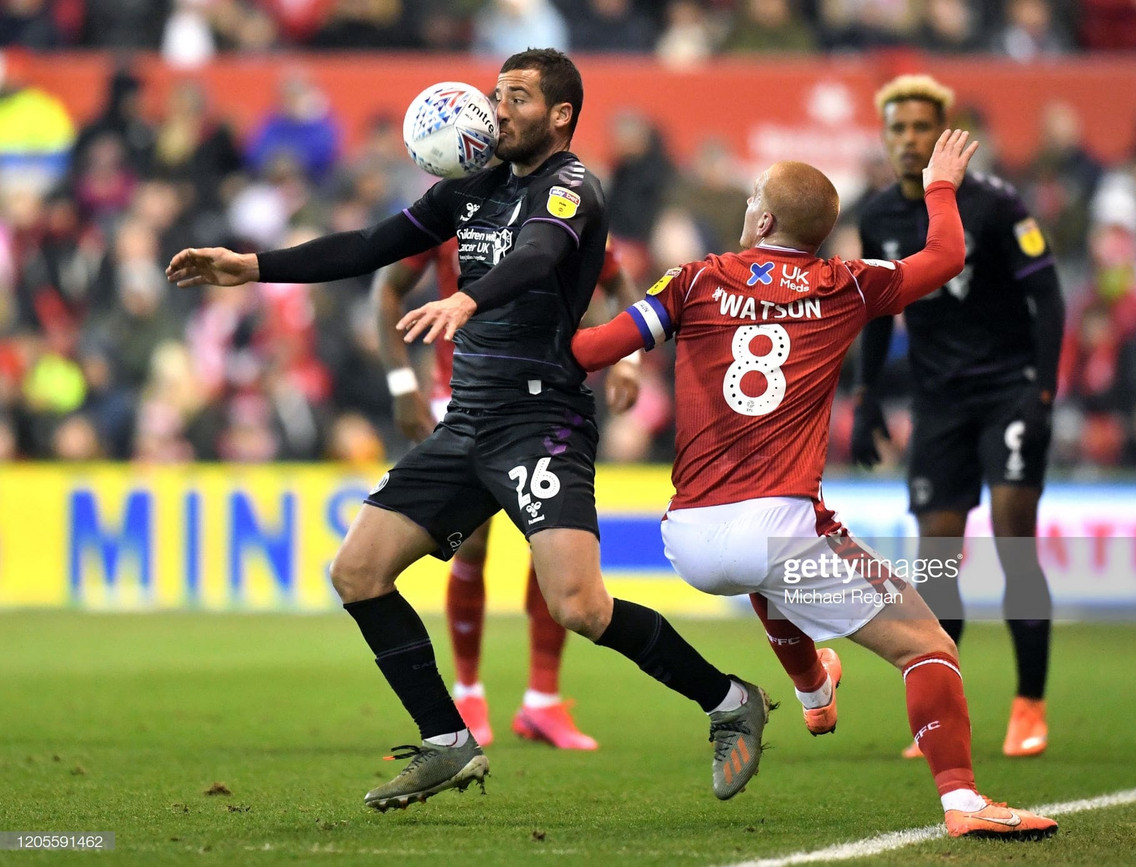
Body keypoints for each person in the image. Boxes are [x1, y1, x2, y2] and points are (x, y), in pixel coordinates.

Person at [167, 48, 771, 810]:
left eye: (515, 97)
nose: (497, 109)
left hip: (541, 419)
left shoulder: (572, 187)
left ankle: (728, 699)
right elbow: (370, 247)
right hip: (469, 420)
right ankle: (449, 742)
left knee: (580, 606)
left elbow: (542, 254)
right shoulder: (470, 188)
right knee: (357, 571)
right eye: (495, 94)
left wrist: (470, 300)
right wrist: (250, 267)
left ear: (559, 115)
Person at [572, 135, 1057, 840]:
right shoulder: (847, 283)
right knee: (929, 648)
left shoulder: (694, 280)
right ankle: (962, 801)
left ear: (765, 222)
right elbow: (948, 257)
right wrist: (942, 187)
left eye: (752, 200)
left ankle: (811, 686)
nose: (745, 207)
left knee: (775, 570)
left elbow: (591, 350)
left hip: (689, 537)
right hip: (777, 525)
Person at [850, 74, 1065, 759]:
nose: (909, 140)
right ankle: (946, 714)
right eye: (898, 129)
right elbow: (879, 310)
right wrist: (866, 398)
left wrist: (1042, 394)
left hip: (1008, 391)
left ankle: (1029, 703)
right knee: (937, 560)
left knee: (1012, 538)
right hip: (937, 401)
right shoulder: (878, 215)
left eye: (922, 128)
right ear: (884, 138)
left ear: (945, 134)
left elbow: (1050, 300)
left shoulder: (998, 205)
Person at [372, 239, 641, 749]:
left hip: (547, 396)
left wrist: (628, 362)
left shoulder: (561, 207)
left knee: (552, 541)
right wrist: (401, 381)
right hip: (463, 393)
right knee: (471, 542)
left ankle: (542, 701)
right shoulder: (457, 205)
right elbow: (386, 286)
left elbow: (616, 280)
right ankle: (468, 693)